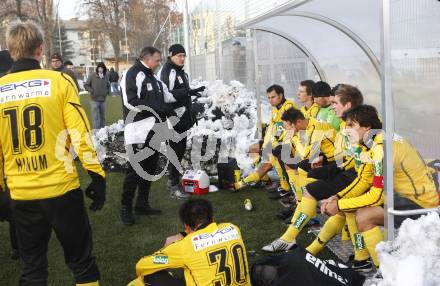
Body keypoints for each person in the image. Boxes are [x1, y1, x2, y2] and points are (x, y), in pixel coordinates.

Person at [0, 20, 106, 286]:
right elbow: (80, 134)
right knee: (82, 264)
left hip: (22, 192)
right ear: (40, 48)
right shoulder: (59, 80)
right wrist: (96, 174)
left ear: (12, 50)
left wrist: (2, 185)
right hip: (61, 189)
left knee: (32, 269)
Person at [262, 85, 369, 273]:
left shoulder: (357, 126)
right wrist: (324, 160)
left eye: (335, 102)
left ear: (348, 104)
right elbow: (345, 156)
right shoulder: (346, 124)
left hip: (358, 176)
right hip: (346, 170)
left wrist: (338, 191)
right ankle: (313, 246)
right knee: (341, 210)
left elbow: (362, 162)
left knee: (334, 202)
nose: (331, 106)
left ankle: (292, 236)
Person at [320, 105, 439, 270]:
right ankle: (363, 260)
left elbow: (377, 196)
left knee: (364, 216)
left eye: (351, 125)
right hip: (408, 197)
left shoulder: (381, 147)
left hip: (423, 205)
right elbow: (364, 180)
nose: (346, 130)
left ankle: (385, 271)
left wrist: (339, 205)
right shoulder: (373, 141)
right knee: (354, 207)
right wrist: (338, 197)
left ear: (367, 126)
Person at [120, 46, 187, 225]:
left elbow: (168, 97)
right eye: (157, 60)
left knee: (150, 168)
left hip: (155, 129)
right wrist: (156, 108)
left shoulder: (154, 78)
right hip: (137, 130)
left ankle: (142, 204)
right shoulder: (133, 73)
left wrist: (187, 93)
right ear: (147, 58)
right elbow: (131, 101)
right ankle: (125, 208)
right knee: (135, 170)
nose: (159, 63)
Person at [128, 198, 251, 286]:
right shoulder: (233, 228)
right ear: (212, 217)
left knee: (150, 276)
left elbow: (142, 265)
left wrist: (166, 249)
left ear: (186, 226)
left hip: (178, 249)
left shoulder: (184, 247)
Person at [158, 44, 205, 199]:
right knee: (175, 151)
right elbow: (165, 96)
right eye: (179, 55)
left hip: (182, 119)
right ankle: (173, 186)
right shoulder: (167, 71)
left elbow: (183, 96)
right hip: (173, 120)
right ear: (171, 56)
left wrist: (190, 112)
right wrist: (172, 119)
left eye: (184, 55)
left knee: (179, 150)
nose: (182, 58)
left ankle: (173, 180)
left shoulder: (181, 72)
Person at [235, 84, 298, 199]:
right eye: (268, 98)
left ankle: (284, 187)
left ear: (281, 95)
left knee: (269, 162)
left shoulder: (289, 107)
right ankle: (264, 178)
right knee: (253, 149)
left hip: (285, 144)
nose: (270, 100)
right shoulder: (275, 109)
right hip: (273, 143)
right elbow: (274, 128)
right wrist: (265, 144)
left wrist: (271, 146)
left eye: (273, 97)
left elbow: (289, 130)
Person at [84, 62, 110, 129]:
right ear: (97, 68)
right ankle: (96, 132)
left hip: (103, 100)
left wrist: (107, 92)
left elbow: (108, 85)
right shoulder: (92, 75)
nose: (101, 69)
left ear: (104, 69)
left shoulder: (106, 76)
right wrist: (92, 91)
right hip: (94, 100)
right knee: (96, 117)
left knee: (103, 117)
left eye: (102, 68)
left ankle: (103, 131)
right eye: (99, 68)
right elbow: (86, 85)